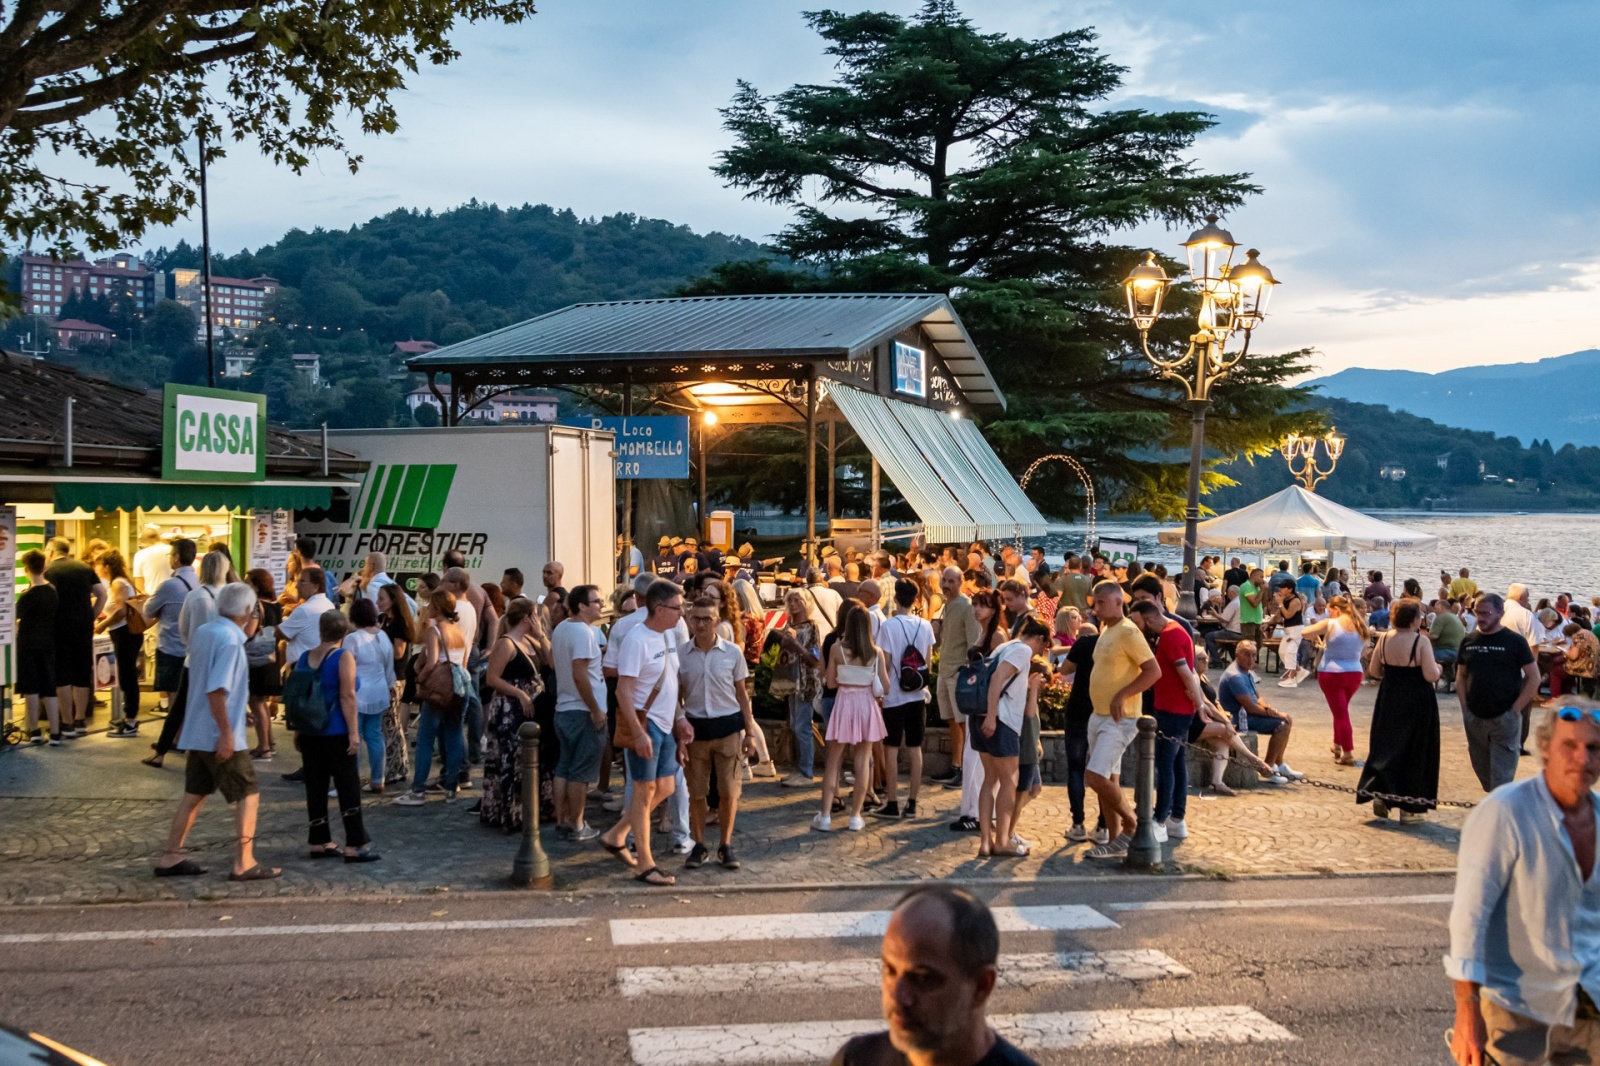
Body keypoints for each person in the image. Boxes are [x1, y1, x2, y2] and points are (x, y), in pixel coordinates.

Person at [1447, 706, 1600, 1066]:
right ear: (1545, 749)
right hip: (1515, 1012)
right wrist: (1467, 1012)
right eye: (1570, 746)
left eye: (1594, 748)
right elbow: (1470, 917)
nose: (1583, 758)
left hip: (1587, 1010)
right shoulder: (1505, 812)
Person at [151, 581, 280, 881]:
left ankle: (171, 855)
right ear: (247, 611)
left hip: (197, 731)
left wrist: (238, 711)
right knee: (248, 794)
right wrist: (226, 731)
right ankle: (244, 861)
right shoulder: (231, 640)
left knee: (194, 794)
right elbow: (217, 690)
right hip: (219, 736)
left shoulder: (205, 632)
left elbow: (210, 685)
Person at [829, 886, 1039, 1066]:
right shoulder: (856, 1059)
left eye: (922, 978)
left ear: (982, 986)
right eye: (889, 971)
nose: (899, 997)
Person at [599, 581, 691, 886]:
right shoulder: (637, 640)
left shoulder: (667, 636)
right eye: (678, 607)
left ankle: (617, 834)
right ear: (660, 608)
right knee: (644, 791)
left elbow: (670, 680)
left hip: (666, 723)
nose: (682, 613)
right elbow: (623, 689)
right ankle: (645, 863)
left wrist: (680, 717)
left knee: (665, 786)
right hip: (645, 722)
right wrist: (638, 733)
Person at [291, 609, 379, 862]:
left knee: (316, 788)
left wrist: (298, 729)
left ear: (320, 630)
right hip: (336, 731)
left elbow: (299, 697)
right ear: (343, 632)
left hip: (310, 732)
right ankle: (354, 844)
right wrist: (354, 733)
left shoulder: (304, 658)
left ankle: (319, 840)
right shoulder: (343, 657)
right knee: (348, 787)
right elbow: (347, 695)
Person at [1084, 580, 1159, 859]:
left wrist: (1123, 694)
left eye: (1101, 603)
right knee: (1108, 779)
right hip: (1100, 715)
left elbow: (1153, 671)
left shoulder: (1128, 631)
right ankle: (1115, 841)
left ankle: (1132, 824)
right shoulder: (1107, 630)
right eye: (1095, 602)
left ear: (1118, 602)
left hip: (1121, 718)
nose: (1096, 607)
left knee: (1095, 776)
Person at [680, 597, 756, 869]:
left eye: (707, 619)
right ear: (690, 620)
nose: (701, 624)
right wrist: (679, 726)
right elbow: (676, 697)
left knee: (729, 791)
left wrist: (751, 733)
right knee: (696, 793)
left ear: (717, 621)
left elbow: (742, 694)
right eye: (696, 618)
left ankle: (725, 845)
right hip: (695, 730)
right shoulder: (681, 654)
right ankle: (699, 845)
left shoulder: (733, 652)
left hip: (727, 729)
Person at [1359, 597, 1442, 823]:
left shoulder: (1385, 638)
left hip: (1390, 695)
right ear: (1415, 619)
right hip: (1417, 698)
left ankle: (1382, 794)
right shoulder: (1420, 641)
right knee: (1416, 749)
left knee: (1386, 745)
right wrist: (1440, 669)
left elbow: (1375, 670)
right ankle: (1410, 808)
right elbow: (1430, 675)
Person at [974, 614, 1051, 857]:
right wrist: (992, 716)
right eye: (1044, 646)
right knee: (1010, 782)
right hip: (1001, 721)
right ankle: (1002, 841)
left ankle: (986, 842)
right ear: (1039, 639)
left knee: (989, 780)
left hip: (981, 715)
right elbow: (997, 679)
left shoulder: (1004, 646)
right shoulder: (1022, 651)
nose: (1041, 652)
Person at [814, 603, 889, 833]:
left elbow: (831, 682)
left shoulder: (836, 649)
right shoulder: (875, 652)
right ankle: (855, 816)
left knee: (833, 761)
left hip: (844, 702)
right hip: (866, 705)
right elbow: (885, 685)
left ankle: (825, 816)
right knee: (863, 759)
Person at [1457, 593, 1540, 793]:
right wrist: (1465, 708)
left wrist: (1515, 710)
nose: (1481, 618)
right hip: (1475, 717)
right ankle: (1495, 803)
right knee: (1484, 774)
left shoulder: (1515, 642)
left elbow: (1534, 677)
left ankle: (1499, 817)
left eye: (1486, 613)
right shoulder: (1469, 640)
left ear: (1500, 613)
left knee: (1501, 780)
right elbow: (1460, 676)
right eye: (1478, 613)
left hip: (1505, 717)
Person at [395, 588, 469, 806]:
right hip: (458, 687)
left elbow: (432, 662)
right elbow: (461, 660)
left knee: (426, 738)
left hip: (438, 690)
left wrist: (419, 678)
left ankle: (418, 790)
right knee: (454, 734)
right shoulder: (458, 630)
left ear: (436, 606)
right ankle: (451, 789)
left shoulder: (435, 630)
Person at [480, 596, 547, 832]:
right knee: (511, 759)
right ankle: (509, 810)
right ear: (529, 617)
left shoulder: (530, 640)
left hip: (530, 709)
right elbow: (492, 678)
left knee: (528, 760)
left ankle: (528, 809)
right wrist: (520, 693)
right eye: (536, 616)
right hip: (509, 710)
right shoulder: (506, 644)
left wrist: (540, 636)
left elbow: (550, 660)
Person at [550, 585, 607, 840]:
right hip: (582, 710)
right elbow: (579, 674)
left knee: (564, 766)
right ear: (582, 606)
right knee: (580, 772)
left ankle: (562, 819)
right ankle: (578, 823)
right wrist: (595, 709)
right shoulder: (584, 633)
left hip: (564, 707)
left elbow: (554, 663)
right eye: (596, 601)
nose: (602, 605)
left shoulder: (562, 628)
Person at [877, 579, 935, 819]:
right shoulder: (926, 625)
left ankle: (892, 802)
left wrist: (881, 691)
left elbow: (887, 664)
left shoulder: (888, 627)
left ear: (896, 599)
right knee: (915, 747)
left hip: (894, 695)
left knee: (891, 748)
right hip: (918, 694)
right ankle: (912, 802)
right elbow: (928, 663)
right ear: (916, 599)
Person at [1213, 643, 1299, 789]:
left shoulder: (1246, 672)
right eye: (1246, 654)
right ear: (1237, 655)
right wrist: (1276, 714)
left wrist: (1268, 708)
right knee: (1282, 725)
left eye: (1254, 655)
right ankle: (1268, 767)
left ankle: (1280, 764)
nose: (1251, 659)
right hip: (1239, 719)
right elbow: (1250, 708)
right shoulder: (1235, 676)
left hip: (1248, 714)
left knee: (1287, 719)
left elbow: (1257, 697)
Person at [45, 537, 105, 736]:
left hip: (58, 628)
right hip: (82, 628)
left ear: (51, 551)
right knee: (81, 672)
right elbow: (102, 594)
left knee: (62, 674)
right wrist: (92, 615)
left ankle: (67, 722)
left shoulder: (49, 571)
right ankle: (80, 720)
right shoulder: (84, 568)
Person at [1301, 595, 1368, 766]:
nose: (1328, 613)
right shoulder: (1361, 625)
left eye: (1330, 609)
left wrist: (1317, 634)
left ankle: (1348, 752)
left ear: (1336, 609)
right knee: (1341, 710)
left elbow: (1305, 632)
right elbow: (1364, 651)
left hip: (1332, 672)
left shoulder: (1331, 624)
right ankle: (1337, 745)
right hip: (1354, 672)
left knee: (1340, 714)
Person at [931, 566, 980, 789]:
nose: (947, 585)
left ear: (960, 582)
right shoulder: (948, 605)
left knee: (962, 723)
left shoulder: (966, 607)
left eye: (951, 581)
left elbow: (974, 642)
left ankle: (963, 769)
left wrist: (966, 672)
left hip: (957, 673)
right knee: (952, 721)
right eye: (945, 580)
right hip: (945, 670)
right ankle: (956, 765)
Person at [343, 597, 397, 793]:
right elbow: (389, 669)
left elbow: (345, 668)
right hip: (379, 691)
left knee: (353, 737)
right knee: (375, 735)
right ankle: (377, 779)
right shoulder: (383, 636)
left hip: (357, 693)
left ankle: (350, 782)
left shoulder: (352, 639)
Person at [774, 588, 824, 788]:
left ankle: (806, 771)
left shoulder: (811, 627)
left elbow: (814, 658)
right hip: (791, 681)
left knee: (802, 727)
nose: (793, 604)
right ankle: (800, 769)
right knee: (795, 726)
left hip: (805, 681)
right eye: (790, 600)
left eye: (798, 600)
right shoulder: (790, 624)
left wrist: (794, 645)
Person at [94, 550, 143, 736]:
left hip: (125, 633)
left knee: (127, 676)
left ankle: (131, 721)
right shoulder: (120, 582)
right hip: (124, 634)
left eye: (99, 564)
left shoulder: (117, 583)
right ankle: (129, 717)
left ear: (107, 566)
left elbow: (122, 611)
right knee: (126, 674)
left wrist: (103, 624)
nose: (96, 568)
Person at [16, 550, 61, 744]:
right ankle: (56, 733)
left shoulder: (28, 595)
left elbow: (15, 618)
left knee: (31, 687)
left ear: (26, 569)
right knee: (49, 687)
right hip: (48, 643)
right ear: (45, 567)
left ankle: (33, 731)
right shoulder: (52, 591)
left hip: (28, 644)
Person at [241, 569, 284, 760]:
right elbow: (272, 632)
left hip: (257, 659)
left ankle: (264, 746)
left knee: (256, 701)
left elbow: (249, 632)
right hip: (270, 656)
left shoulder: (256, 606)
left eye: (247, 582)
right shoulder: (276, 604)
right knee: (262, 702)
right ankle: (270, 743)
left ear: (256, 585)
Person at [376, 583, 414, 788]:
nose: (378, 602)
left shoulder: (399, 623)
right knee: (389, 724)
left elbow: (399, 653)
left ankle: (394, 769)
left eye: (381, 598)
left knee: (391, 724)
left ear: (392, 600)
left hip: (395, 677)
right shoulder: (384, 620)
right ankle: (397, 767)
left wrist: (377, 645)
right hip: (384, 675)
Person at [1273, 580, 1308, 688]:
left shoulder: (1296, 601)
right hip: (1288, 630)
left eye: (1283, 588)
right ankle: (1299, 670)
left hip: (1296, 629)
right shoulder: (1285, 600)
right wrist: (1270, 622)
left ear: (1290, 589)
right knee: (1282, 652)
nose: (1280, 590)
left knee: (1290, 652)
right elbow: (1279, 616)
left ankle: (1291, 678)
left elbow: (1288, 615)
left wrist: (1280, 603)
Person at [131, 526, 171, 595]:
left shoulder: (140, 555)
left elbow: (139, 588)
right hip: (176, 598)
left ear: (144, 543)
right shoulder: (174, 550)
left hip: (152, 599)